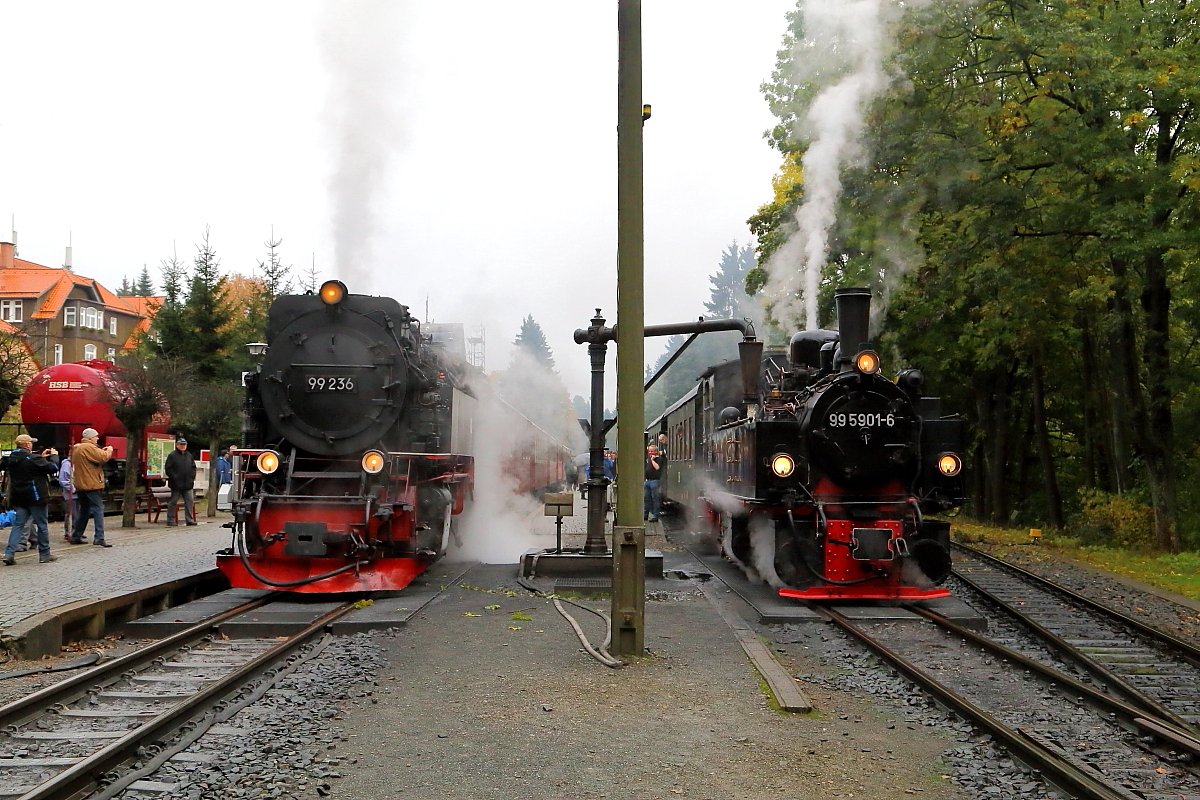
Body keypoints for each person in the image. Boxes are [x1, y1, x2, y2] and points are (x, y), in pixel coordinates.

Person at [2, 434, 61, 565]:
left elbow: (31, 465)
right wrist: (54, 456)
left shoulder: (11, 459)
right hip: (36, 497)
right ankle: (45, 554)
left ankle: (9, 553)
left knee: (18, 525)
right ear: (27, 445)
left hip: (19, 497)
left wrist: (42, 458)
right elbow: (53, 468)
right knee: (42, 525)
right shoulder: (33, 459)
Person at [70, 427, 113, 546]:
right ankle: (99, 537)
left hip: (81, 484)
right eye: (95, 436)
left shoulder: (78, 448)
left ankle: (76, 536)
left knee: (84, 510)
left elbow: (93, 457)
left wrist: (101, 451)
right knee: (98, 509)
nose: (97, 438)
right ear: (90, 438)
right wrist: (109, 450)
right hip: (91, 484)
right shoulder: (88, 447)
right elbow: (103, 457)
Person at [165, 438, 197, 526]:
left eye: (184, 445)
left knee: (190, 501)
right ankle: (170, 520)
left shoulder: (189, 455)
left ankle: (189, 520)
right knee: (173, 502)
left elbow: (193, 467)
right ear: (177, 445)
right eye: (181, 444)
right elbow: (168, 469)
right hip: (176, 484)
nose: (183, 446)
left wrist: (192, 478)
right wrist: (175, 478)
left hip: (188, 484)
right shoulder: (172, 455)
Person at [644, 444, 663, 523]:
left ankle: (656, 516)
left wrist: (652, 460)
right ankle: (645, 515)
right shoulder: (648, 459)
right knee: (646, 498)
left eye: (651, 451)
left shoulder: (659, 459)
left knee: (655, 499)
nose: (650, 453)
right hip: (647, 481)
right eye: (649, 451)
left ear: (656, 451)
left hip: (655, 481)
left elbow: (657, 468)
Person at [58, 455, 75, 541]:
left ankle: (75, 532)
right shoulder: (67, 465)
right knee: (70, 513)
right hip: (71, 494)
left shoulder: (76, 463)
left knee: (77, 514)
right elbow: (63, 480)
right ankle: (69, 533)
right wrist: (74, 489)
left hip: (77, 493)